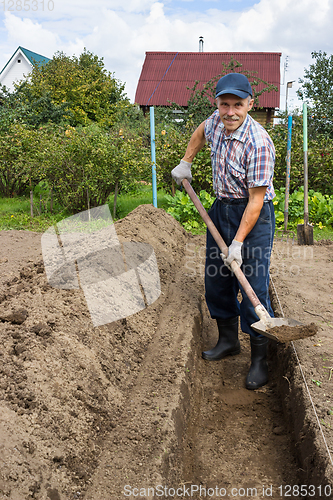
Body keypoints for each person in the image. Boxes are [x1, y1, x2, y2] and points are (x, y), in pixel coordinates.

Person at [171, 72, 275, 390]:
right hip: (221, 209)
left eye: (237, 105)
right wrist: (186, 160)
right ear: (217, 103)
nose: (230, 112)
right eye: (224, 104)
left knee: (252, 286)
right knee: (217, 281)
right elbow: (202, 130)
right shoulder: (216, 121)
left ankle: (261, 360)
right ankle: (228, 341)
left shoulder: (259, 143)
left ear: (250, 105)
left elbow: (256, 201)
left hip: (252, 217)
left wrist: (238, 243)